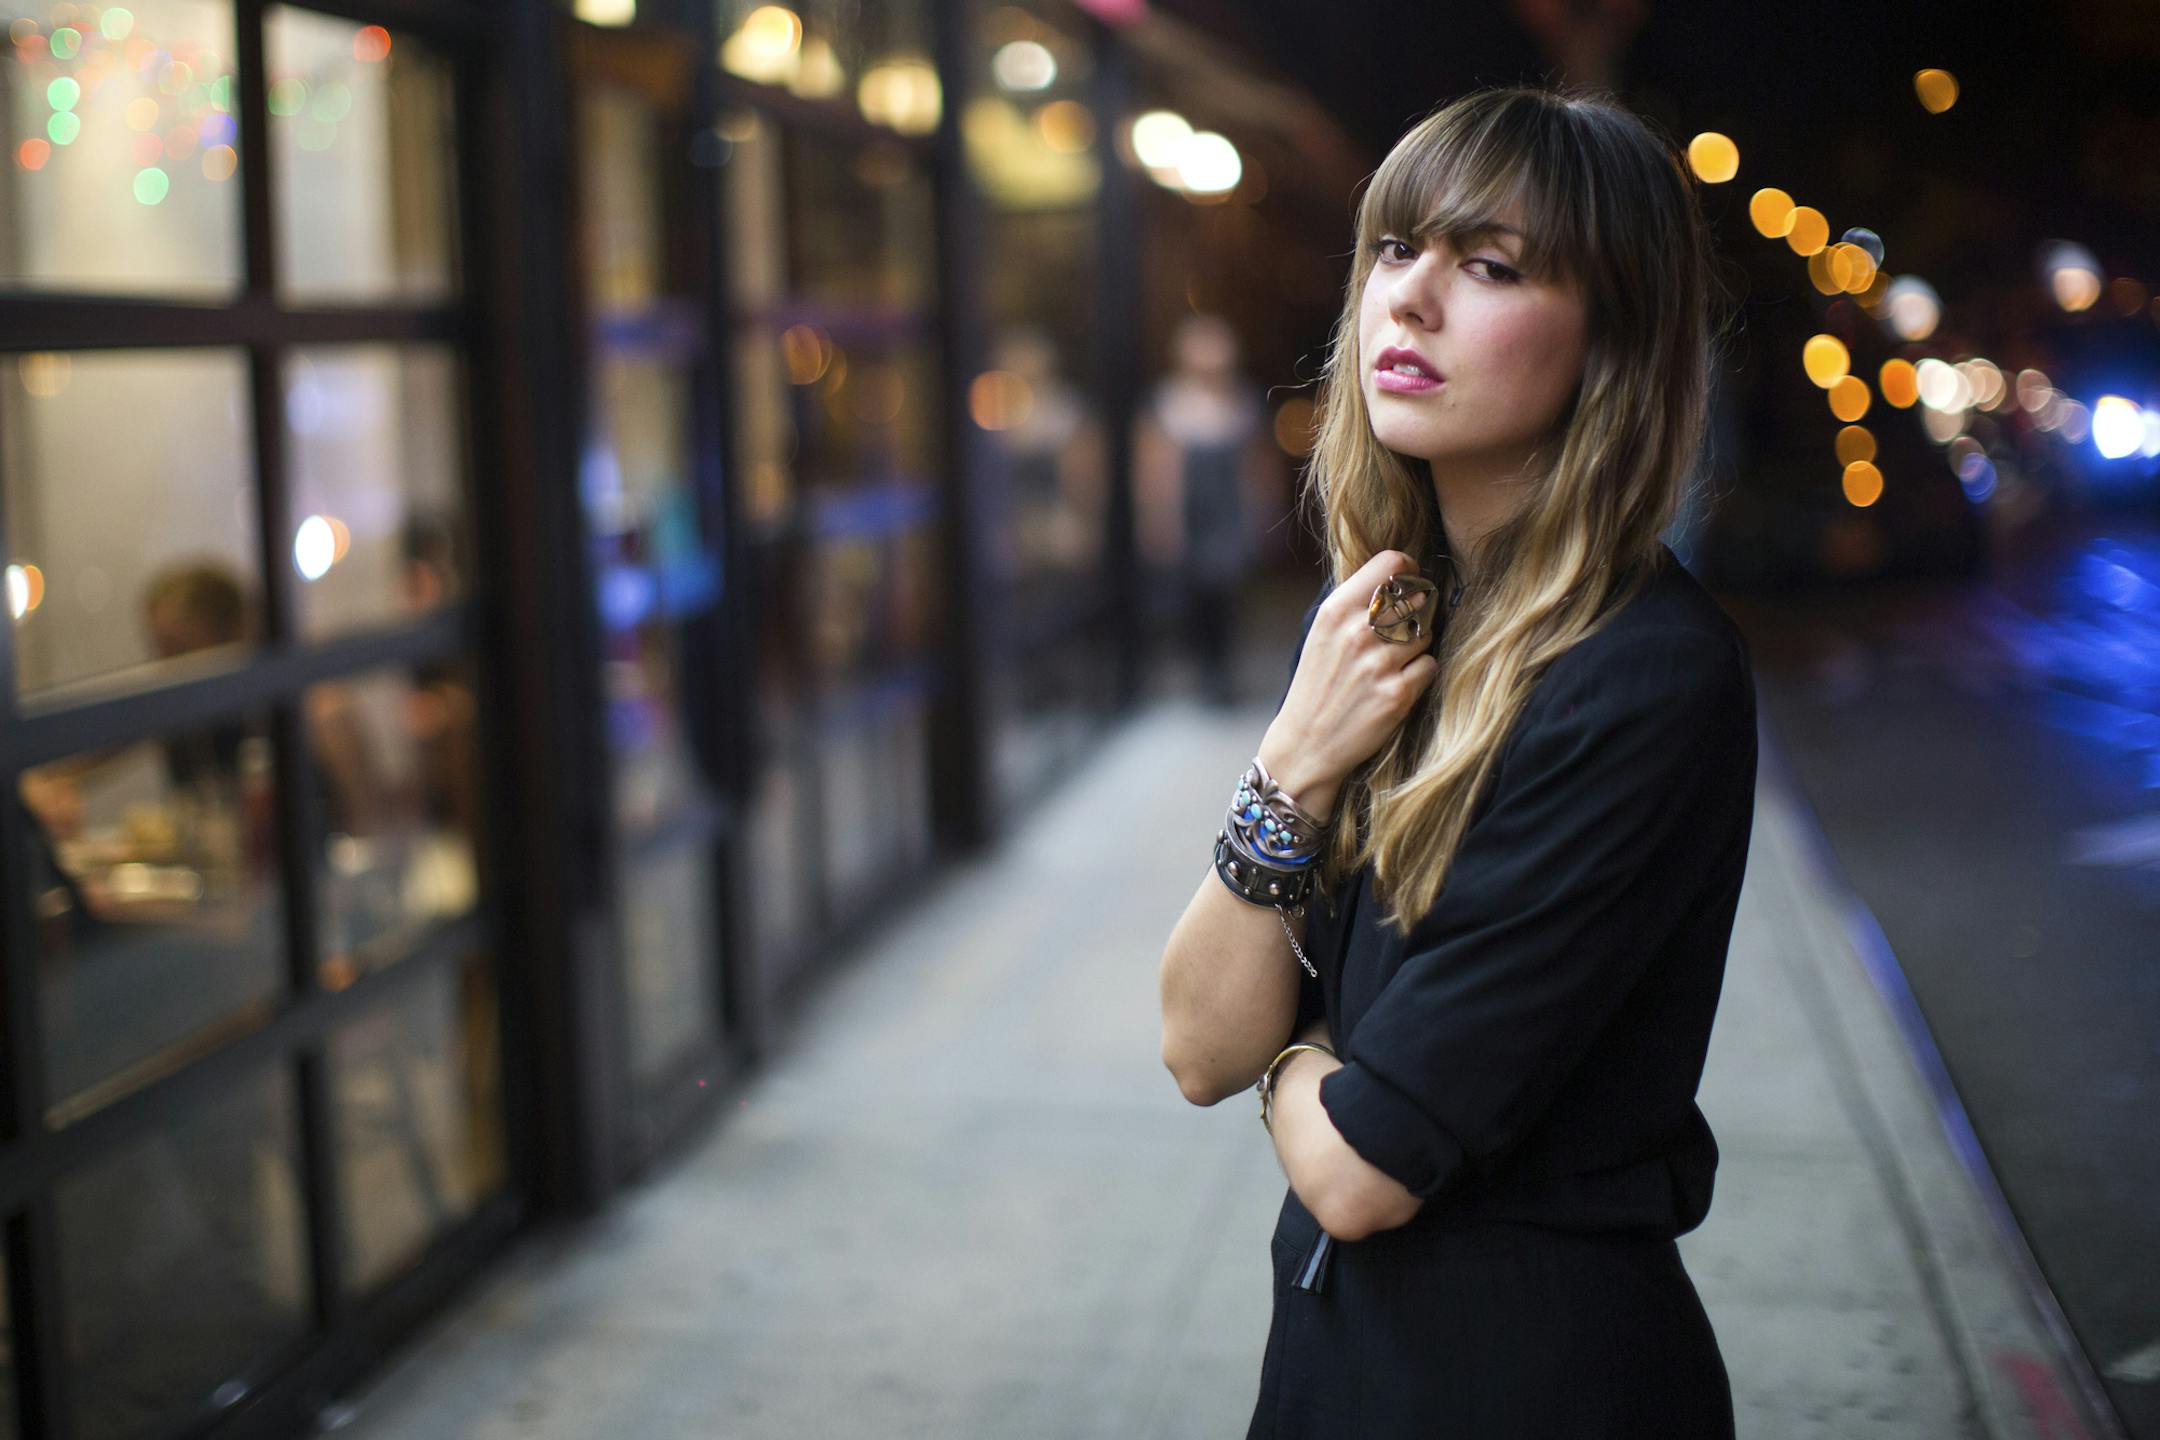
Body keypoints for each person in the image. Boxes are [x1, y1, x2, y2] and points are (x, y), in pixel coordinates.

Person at [1156, 84, 1755, 1438]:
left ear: (1613, 336)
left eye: (1489, 266)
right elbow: (1197, 1042)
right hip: (1342, 1360)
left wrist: (1294, 1055)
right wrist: (1294, 764)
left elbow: (1364, 1170)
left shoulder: (1641, 675)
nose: (1409, 302)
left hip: (1521, 1381)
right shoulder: (1403, 626)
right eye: (1392, 249)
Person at [1134, 313, 1274, 704]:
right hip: (1190, 515)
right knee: (1194, 593)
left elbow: (1256, 465)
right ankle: (1203, 668)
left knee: (1226, 590)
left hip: (1228, 514)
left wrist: (1262, 511)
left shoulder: (1242, 402)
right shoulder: (1167, 404)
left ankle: (1221, 670)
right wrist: (1160, 518)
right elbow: (1155, 468)